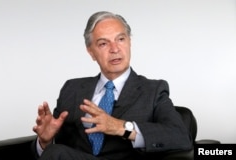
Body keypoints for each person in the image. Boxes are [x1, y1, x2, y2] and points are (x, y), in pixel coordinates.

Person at [32, 11, 192, 160]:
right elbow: (61, 149)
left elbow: (180, 136)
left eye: (121, 39)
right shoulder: (72, 89)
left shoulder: (153, 91)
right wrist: (45, 142)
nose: (115, 49)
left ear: (130, 42)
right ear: (91, 52)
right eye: (103, 44)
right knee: (54, 151)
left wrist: (121, 127)